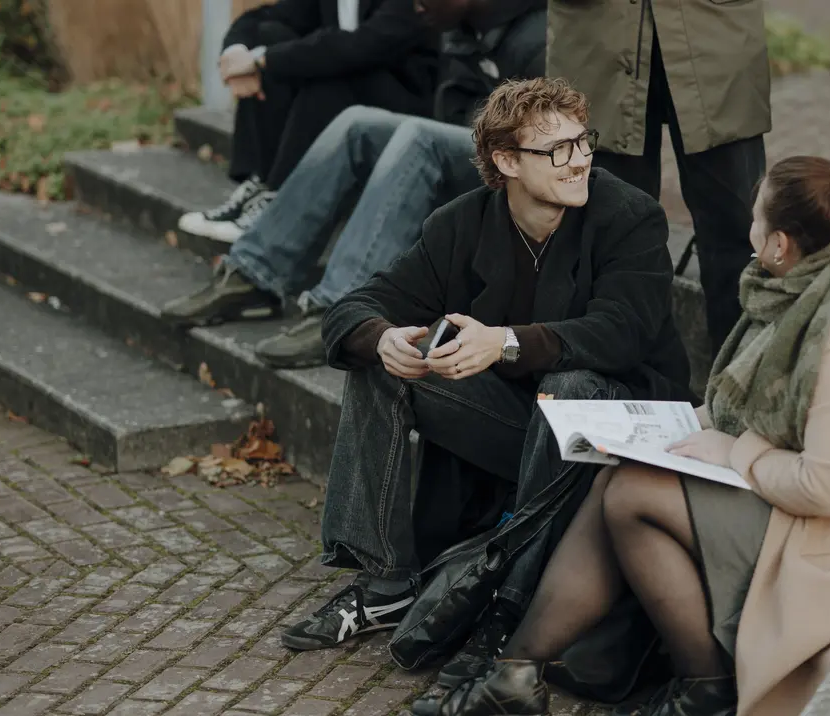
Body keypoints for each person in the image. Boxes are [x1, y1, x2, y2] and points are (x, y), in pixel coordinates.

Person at [410, 156, 830, 716]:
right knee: (620, 481)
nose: (748, 230)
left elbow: (828, 489)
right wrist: (656, 428)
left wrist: (736, 451)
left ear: (780, 243)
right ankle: (520, 673)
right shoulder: (796, 297)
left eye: (756, 219)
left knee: (635, 496)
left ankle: (691, 683)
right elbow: (744, 411)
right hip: (796, 504)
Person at [278, 79, 695, 677]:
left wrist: (503, 342)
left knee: (570, 385)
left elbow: (620, 331)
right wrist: (383, 338)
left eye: (583, 141)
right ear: (506, 162)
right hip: (522, 430)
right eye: (556, 150)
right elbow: (354, 307)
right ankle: (385, 582)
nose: (579, 160)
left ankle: (509, 610)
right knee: (384, 367)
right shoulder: (462, 224)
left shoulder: (629, 216)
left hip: (622, 430)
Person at [162, 0, 546, 369]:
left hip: (515, 166)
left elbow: (548, 143)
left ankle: (343, 310)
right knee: (357, 122)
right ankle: (255, 272)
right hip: (469, 144)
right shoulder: (462, 30)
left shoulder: (536, 35)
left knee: (418, 137)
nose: (415, 5)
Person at [546, 0, 770, 356]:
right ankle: (619, 384)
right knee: (606, 233)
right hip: (596, 38)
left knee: (742, 231)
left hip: (717, 33)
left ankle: (744, 387)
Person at [178, 0, 440, 243]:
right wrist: (237, 53)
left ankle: (281, 200)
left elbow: (363, 46)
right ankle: (263, 183)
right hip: (351, 80)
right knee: (272, 34)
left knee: (321, 73)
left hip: (407, 97)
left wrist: (262, 60)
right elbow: (266, 17)